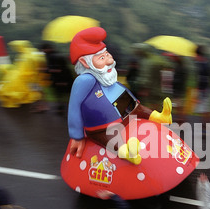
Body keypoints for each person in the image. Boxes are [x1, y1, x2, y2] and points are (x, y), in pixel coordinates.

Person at [67, 27, 172, 165]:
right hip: (102, 123)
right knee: (108, 133)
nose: (110, 61)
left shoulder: (105, 75)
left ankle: (158, 116)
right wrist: (76, 136)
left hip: (122, 109)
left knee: (138, 108)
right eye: (102, 58)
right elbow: (74, 107)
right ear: (85, 63)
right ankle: (124, 151)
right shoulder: (84, 80)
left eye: (107, 54)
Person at [39, 42, 75, 115]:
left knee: (63, 94)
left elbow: (57, 69)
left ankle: (64, 109)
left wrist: (44, 70)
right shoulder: (56, 54)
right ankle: (62, 109)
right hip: (65, 77)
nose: (43, 51)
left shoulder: (52, 56)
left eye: (43, 49)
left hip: (61, 79)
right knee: (66, 94)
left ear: (47, 49)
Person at [194, 45, 210, 131]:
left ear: (199, 55)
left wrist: (200, 90)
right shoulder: (205, 63)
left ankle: (206, 127)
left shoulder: (204, 65)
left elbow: (204, 79)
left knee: (205, 109)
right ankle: (205, 125)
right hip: (205, 89)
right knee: (205, 109)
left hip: (205, 90)